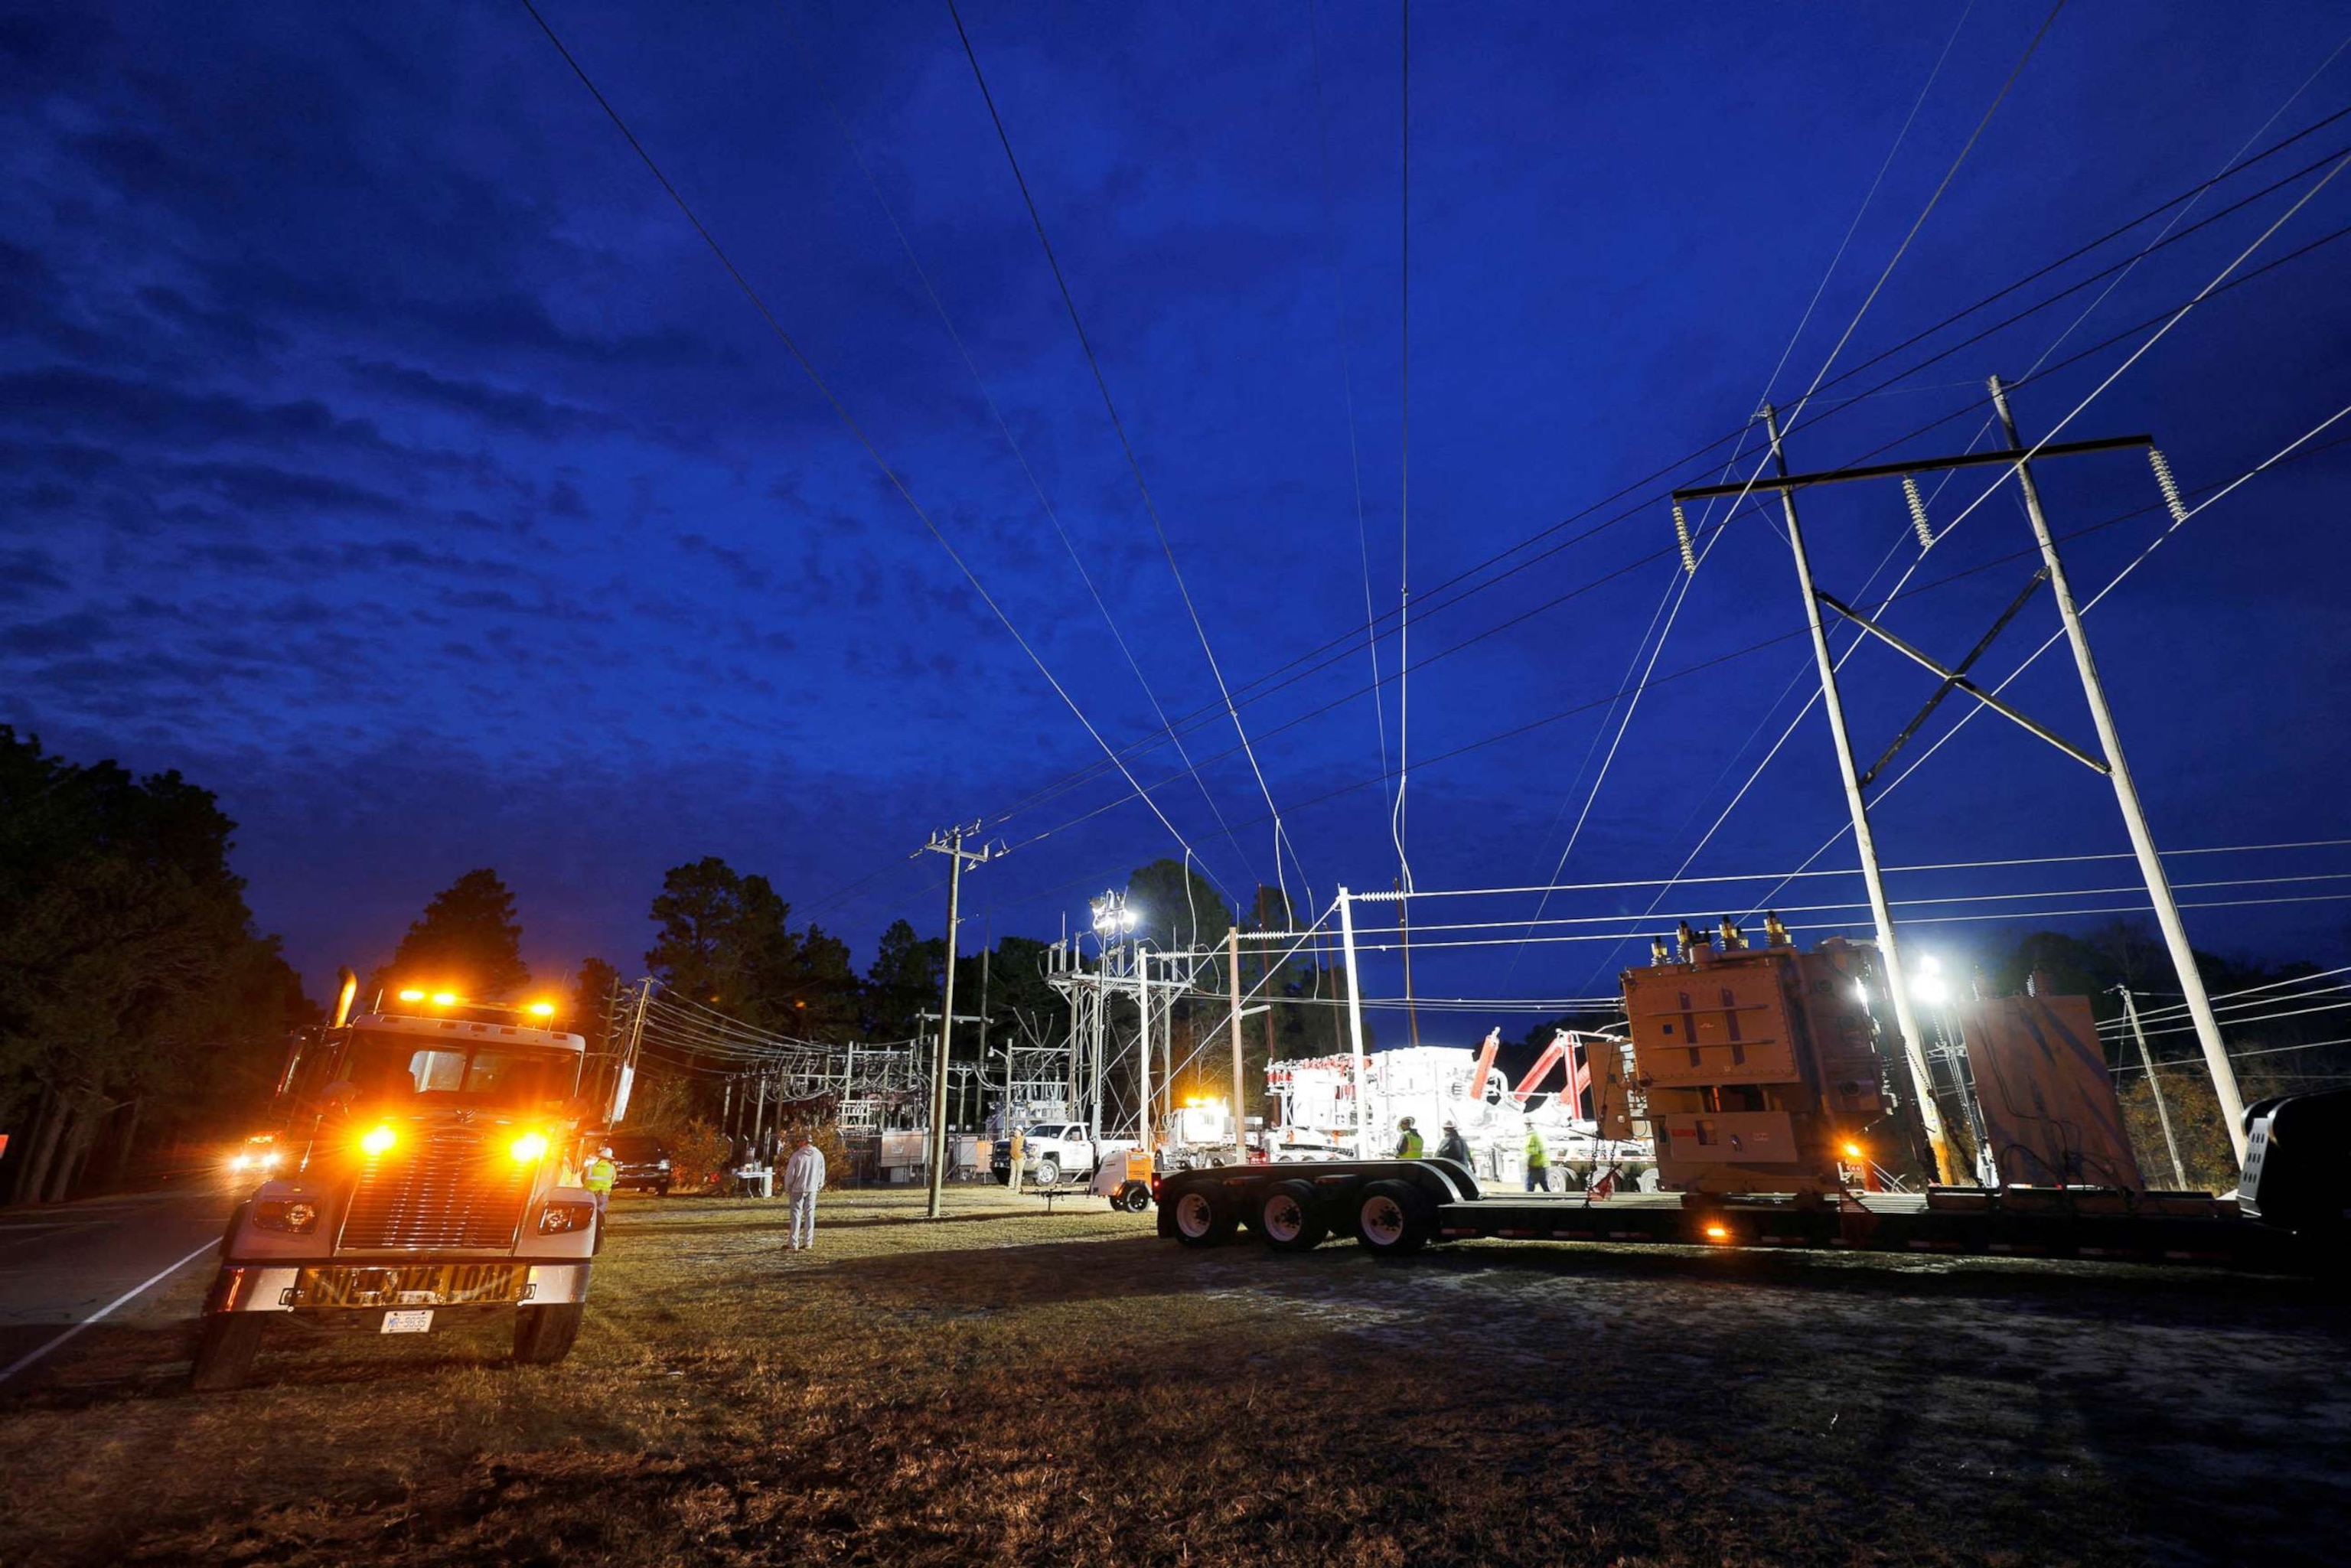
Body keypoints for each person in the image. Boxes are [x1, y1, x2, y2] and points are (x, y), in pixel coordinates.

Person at [783, 1130, 827, 1251]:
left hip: (798, 1189)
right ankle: (808, 1242)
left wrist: (788, 1187)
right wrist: (819, 1185)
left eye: (799, 1141)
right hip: (812, 1189)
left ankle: (793, 1243)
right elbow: (822, 1172)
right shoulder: (818, 1155)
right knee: (810, 1215)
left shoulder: (797, 1156)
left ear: (803, 1142)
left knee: (796, 1216)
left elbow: (790, 1174)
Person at [585, 1145, 616, 1217]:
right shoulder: (612, 1169)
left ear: (599, 1158)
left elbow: (583, 1179)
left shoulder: (590, 1168)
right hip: (603, 1194)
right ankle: (597, 1226)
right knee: (600, 1214)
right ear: (609, 1159)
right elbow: (613, 1180)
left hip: (589, 1194)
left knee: (588, 1214)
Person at [1524, 1125, 1551, 1192]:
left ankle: (1529, 1201)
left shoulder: (1531, 1137)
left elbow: (1532, 1153)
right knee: (1544, 1185)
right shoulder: (1539, 1136)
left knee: (1529, 1185)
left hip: (1535, 1165)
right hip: (1542, 1164)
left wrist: (1528, 1164)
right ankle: (1550, 1198)